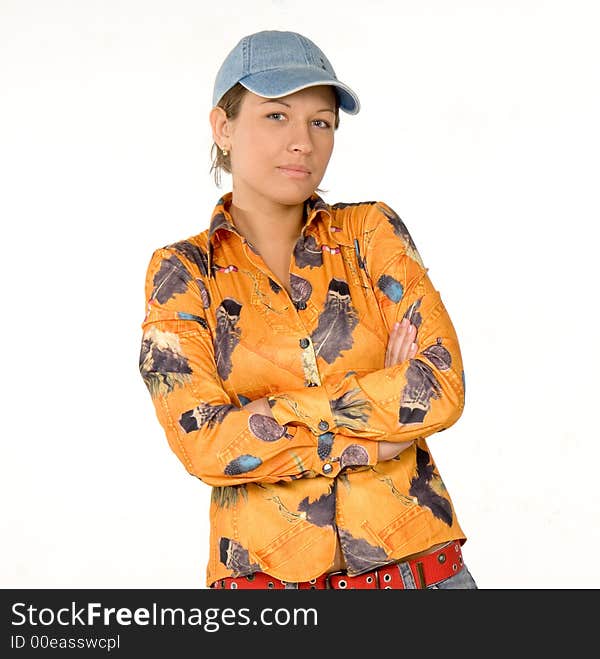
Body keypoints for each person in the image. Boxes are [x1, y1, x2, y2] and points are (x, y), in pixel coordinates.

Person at [138, 29, 476, 589]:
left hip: (423, 575)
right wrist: (372, 435)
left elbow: (439, 386)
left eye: (320, 121)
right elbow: (205, 443)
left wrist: (270, 414)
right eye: (276, 116)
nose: (303, 142)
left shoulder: (371, 233)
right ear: (223, 128)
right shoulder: (181, 273)